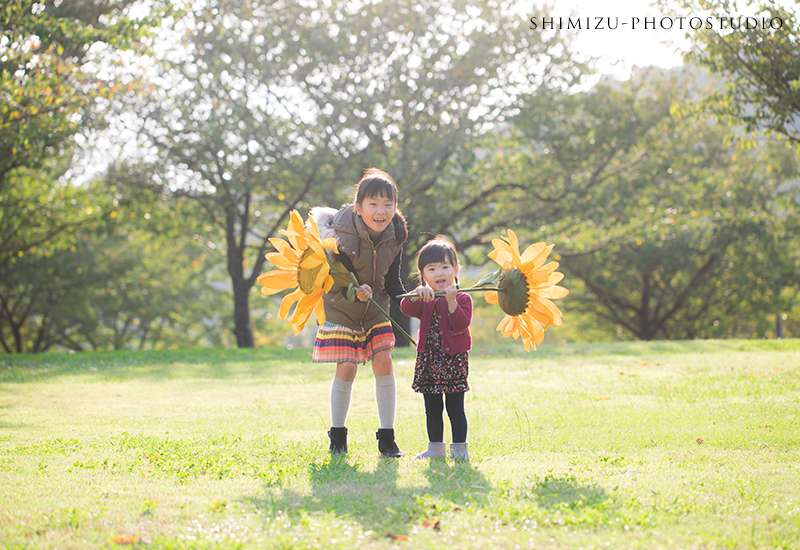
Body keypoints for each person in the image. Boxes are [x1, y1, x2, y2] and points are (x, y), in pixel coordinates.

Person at [309, 168, 408, 458]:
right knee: (348, 366)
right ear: (358, 207)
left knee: (384, 360)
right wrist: (354, 289)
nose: (381, 211)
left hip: (374, 307)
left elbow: (392, 282)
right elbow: (340, 278)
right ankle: (337, 435)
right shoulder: (338, 235)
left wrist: (415, 302)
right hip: (342, 306)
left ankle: (387, 437)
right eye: (373, 204)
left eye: (388, 204)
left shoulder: (396, 235)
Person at [400, 238, 472, 460]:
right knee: (432, 408)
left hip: (453, 361)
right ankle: (435, 448)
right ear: (423, 275)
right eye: (431, 269)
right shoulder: (424, 298)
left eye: (445, 267)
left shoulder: (462, 298)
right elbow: (405, 307)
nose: (439, 273)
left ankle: (460, 449)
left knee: (455, 409)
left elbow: (461, 324)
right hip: (429, 361)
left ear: (456, 270)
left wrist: (451, 302)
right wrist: (418, 292)